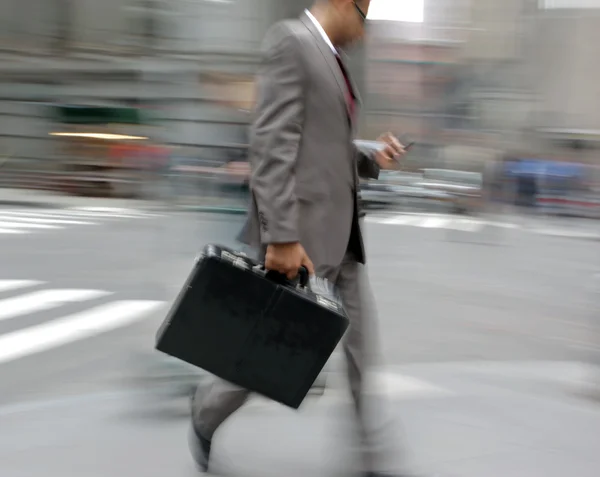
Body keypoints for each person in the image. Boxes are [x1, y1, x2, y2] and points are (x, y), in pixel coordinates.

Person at [190, 1, 407, 476]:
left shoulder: (333, 61)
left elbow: (326, 146)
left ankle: (371, 459)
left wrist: (373, 158)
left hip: (343, 235)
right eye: (363, 15)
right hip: (300, 239)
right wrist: (281, 236)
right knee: (269, 352)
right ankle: (206, 411)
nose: (364, 31)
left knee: (362, 352)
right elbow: (270, 143)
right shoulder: (291, 41)